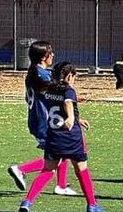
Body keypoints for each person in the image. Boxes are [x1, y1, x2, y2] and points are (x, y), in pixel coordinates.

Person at [17, 62, 104, 212]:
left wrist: (77, 118)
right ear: (69, 76)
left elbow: (57, 107)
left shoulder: (49, 89)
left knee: (48, 170)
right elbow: (67, 103)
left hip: (53, 136)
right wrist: (71, 117)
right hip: (71, 137)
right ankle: (92, 205)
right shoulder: (68, 90)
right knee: (81, 169)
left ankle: (27, 202)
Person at [7, 39, 75, 197]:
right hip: (44, 121)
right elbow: (57, 91)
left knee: (63, 151)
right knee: (55, 157)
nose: (53, 55)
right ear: (44, 57)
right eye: (51, 53)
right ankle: (21, 169)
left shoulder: (34, 72)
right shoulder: (42, 74)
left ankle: (61, 185)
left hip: (38, 119)